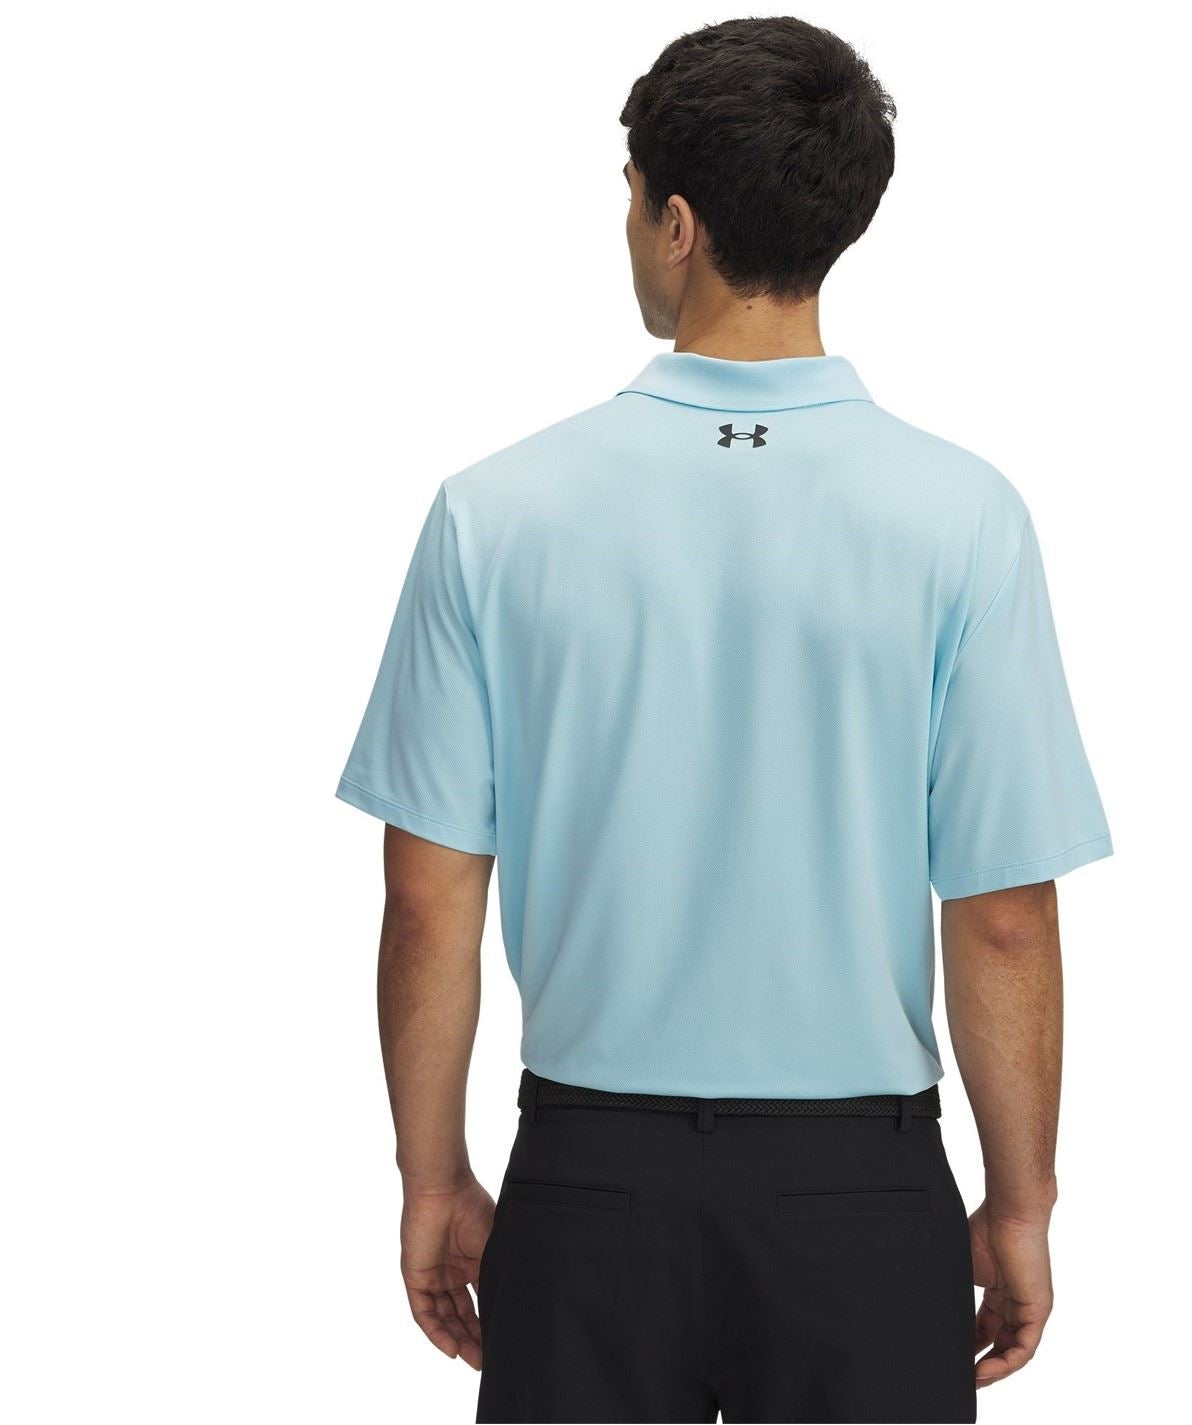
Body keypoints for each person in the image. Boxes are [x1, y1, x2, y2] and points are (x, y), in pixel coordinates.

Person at [335, 16, 1112, 1423]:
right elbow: (1001, 914)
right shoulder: (961, 517)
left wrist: (431, 1174)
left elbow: (427, 896)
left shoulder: (495, 511)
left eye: (631, 197)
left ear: (677, 222)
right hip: (860, 1198)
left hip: (587, 1186)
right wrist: (1020, 1199)